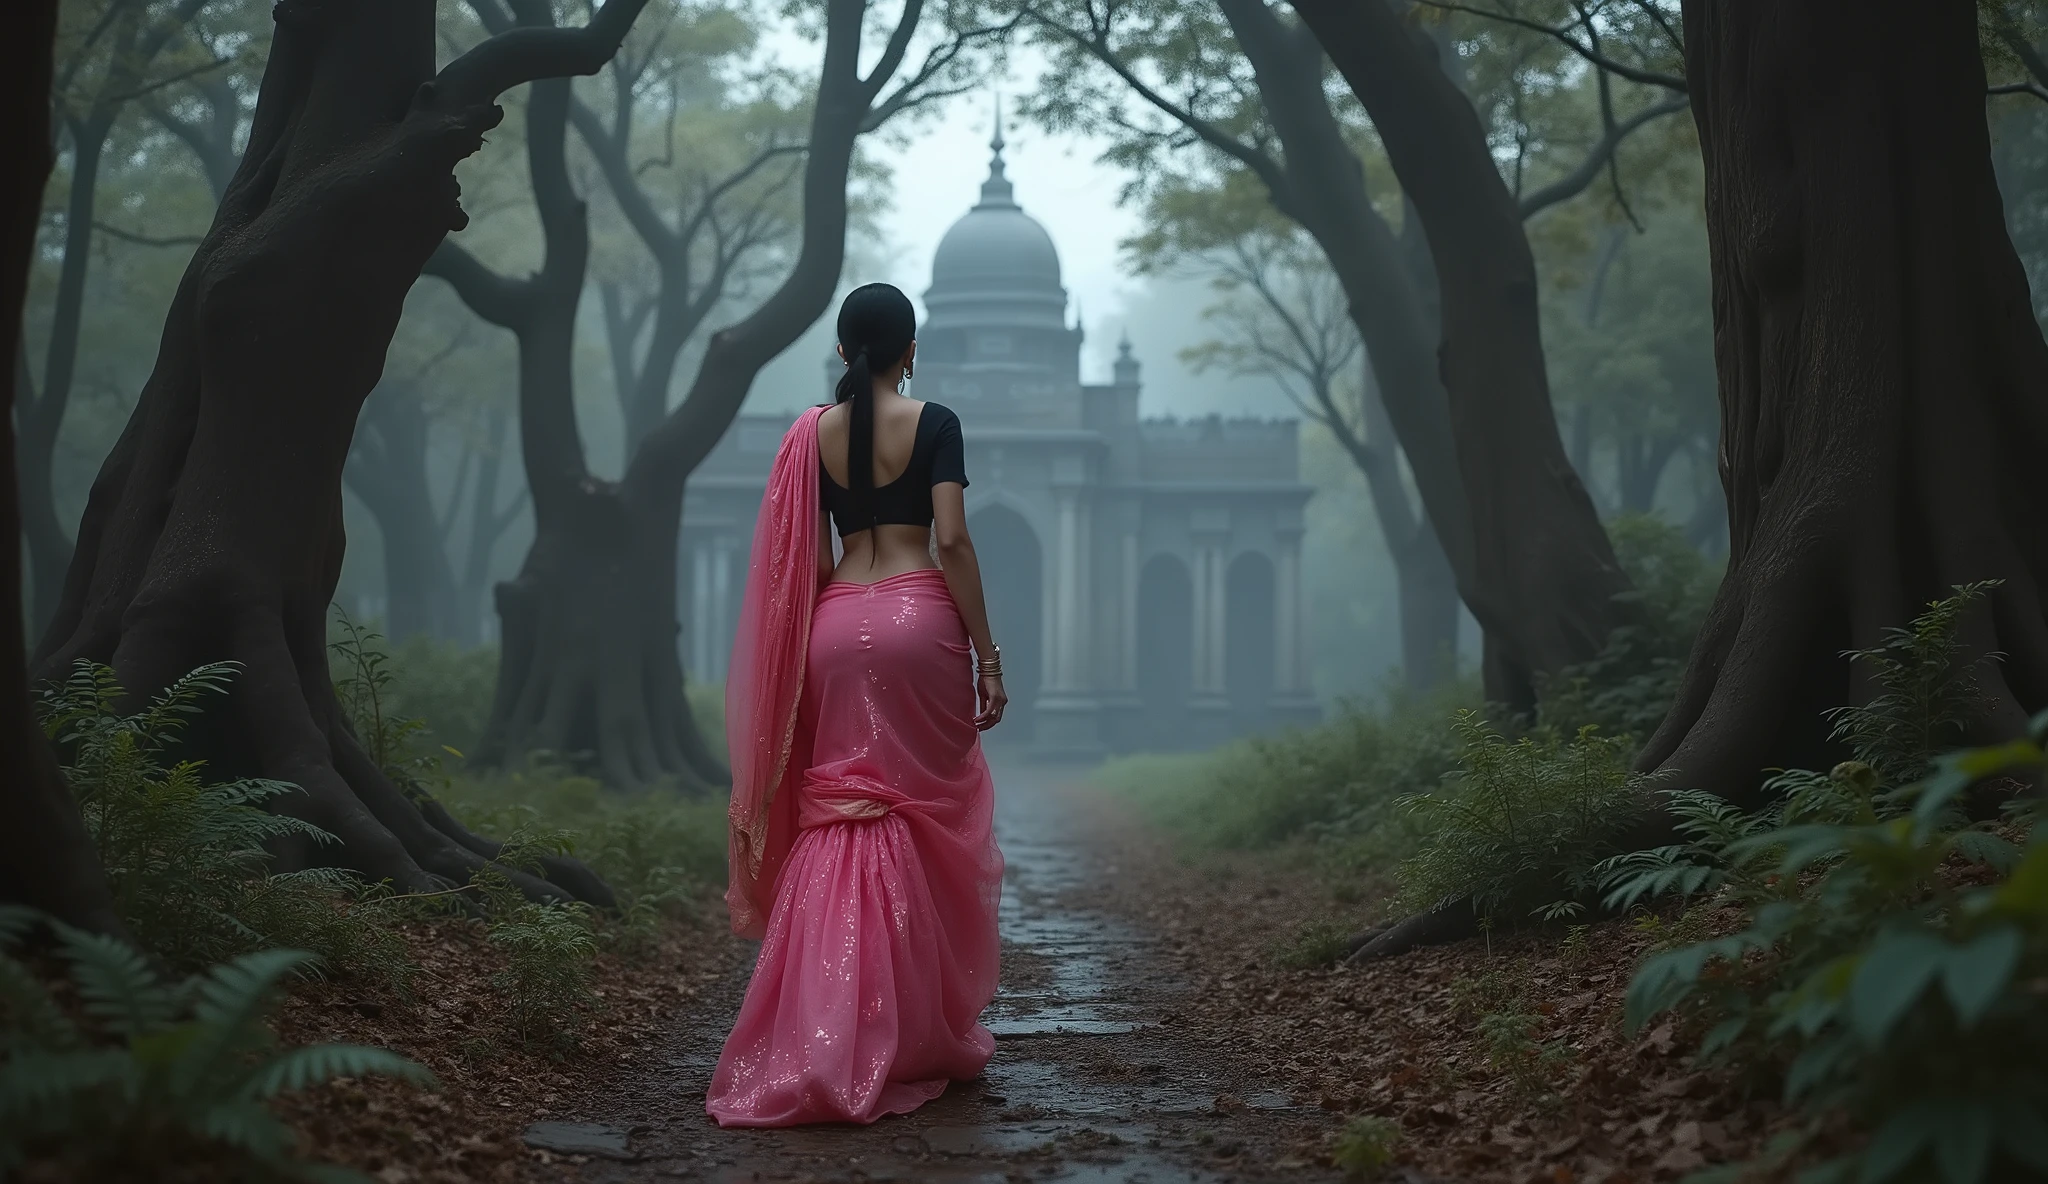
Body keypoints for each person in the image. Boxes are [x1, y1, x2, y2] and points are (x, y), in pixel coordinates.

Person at [706, 283, 1008, 1127]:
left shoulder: (812, 435)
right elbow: (950, 540)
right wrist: (988, 657)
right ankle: (912, 1026)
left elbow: (797, 558)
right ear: (910, 351)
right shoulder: (936, 422)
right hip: (920, 621)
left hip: (834, 626)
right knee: (923, 815)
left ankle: (818, 1025)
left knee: (842, 809)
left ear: (845, 352)